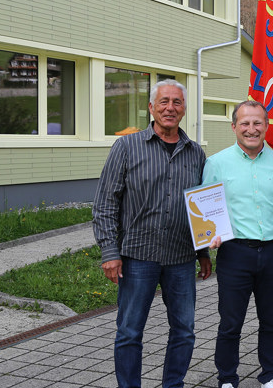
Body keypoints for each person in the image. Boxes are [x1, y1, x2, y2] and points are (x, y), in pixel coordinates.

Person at [93, 79, 211, 388]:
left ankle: (173, 385)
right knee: (130, 331)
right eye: (164, 102)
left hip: (181, 258)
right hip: (137, 258)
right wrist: (109, 252)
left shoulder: (195, 153)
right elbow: (106, 202)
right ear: (151, 108)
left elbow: (199, 207)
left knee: (184, 330)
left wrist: (203, 252)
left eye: (177, 102)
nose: (170, 108)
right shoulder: (126, 147)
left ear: (184, 109)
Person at [202, 100, 273, 388]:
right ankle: (227, 379)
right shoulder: (217, 163)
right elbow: (206, 210)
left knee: (271, 320)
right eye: (245, 123)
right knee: (230, 323)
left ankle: (270, 375)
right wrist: (206, 238)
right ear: (234, 127)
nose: (251, 129)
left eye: (257, 123)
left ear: (266, 126)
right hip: (234, 253)